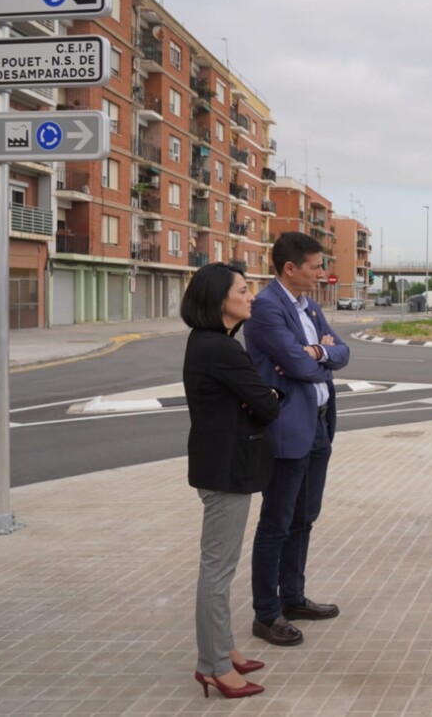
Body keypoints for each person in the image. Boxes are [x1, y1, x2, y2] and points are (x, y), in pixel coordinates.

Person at [244, 233, 350, 646]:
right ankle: (266, 614)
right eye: (315, 266)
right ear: (291, 268)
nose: (321, 272)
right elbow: (293, 364)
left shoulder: (310, 305)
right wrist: (315, 358)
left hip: (320, 423)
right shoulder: (267, 308)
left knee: (305, 517)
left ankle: (292, 597)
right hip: (290, 428)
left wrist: (319, 354)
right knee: (277, 521)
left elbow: (342, 352)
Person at [182, 263, 282, 700]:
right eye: (243, 290)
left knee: (220, 567)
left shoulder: (212, 344)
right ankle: (215, 666)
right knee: (217, 571)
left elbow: (253, 400)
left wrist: (258, 399)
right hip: (226, 469)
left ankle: (223, 649)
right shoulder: (220, 350)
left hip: (222, 463)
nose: (252, 296)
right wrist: (266, 397)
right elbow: (267, 403)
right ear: (219, 299)